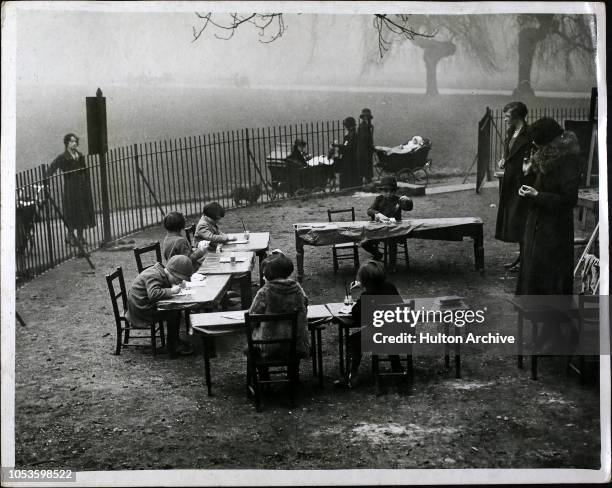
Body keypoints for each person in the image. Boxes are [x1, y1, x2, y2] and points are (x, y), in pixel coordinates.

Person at [516, 117, 581, 352]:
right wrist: (528, 180)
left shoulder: (568, 159)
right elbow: (541, 184)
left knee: (551, 281)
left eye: (538, 144)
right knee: (537, 278)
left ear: (549, 142)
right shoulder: (545, 155)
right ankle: (547, 330)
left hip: (554, 231)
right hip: (538, 227)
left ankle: (555, 333)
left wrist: (537, 196)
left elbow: (568, 199)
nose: (535, 148)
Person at [335, 260, 404, 389]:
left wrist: (359, 295)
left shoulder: (367, 295)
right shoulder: (391, 287)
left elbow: (356, 316)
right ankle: (397, 366)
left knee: (353, 340)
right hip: (396, 334)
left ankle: (352, 374)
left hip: (377, 336)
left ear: (364, 281)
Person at [126, 255, 195, 358]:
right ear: (172, 273)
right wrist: (171, 290)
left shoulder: (161, 273)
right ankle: (172, 346)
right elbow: (153, 294)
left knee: (175, 311)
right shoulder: (154, 275)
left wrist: (175, 286)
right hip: (141, 311)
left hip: (145, 305)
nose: (179, 282)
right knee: (173, 311)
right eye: (179, 279)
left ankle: (174, 341)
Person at [248, 254, 310, 361]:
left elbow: (252, 317)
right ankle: (293, 371)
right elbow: (304, 308)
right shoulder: (298, 289)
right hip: (294, 344)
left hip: (268, 345)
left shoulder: (265, 291)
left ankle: (264, 374)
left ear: (269, 273)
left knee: (252, 344)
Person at [495, 102, 533, 272]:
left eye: (507, 117)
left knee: (521, 219)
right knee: (514, 220)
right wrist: (504, 159)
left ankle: (527, 259)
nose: (504, 119)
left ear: (517, 116)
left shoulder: (529, 134)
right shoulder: (512, 132)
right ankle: (522, 257)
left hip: (522, 182)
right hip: (509, 181)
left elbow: (532, 157)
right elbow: (509, 151)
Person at [46, 133, 96, 249]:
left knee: (82, 211)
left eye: (75, 141)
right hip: (70, 189)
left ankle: (80, 237)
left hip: (82, 188)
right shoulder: (63, 157)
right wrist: (46, 181)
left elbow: (85, 171)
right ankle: (70, 236)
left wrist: (87, 184)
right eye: (72, 141)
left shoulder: (80, 155)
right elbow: (51, 169)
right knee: (72, 212)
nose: (75, 143)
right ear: (67, 143)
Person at [361, 176, 414, 272]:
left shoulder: (399, 200)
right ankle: (378, 254)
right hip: (379, 230)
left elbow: (409, 207)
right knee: (364, 243)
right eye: (386, 191)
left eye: (391, 191)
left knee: (392, 241)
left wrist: (408, 201)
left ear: (395, 191)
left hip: (394, 230)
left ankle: (392, 265)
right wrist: (377, 214)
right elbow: (369, 210)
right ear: (381, 191)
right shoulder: (379, 199)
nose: (389, 193)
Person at [336, 117, 360, 189]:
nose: (345, 127)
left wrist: (339, 147)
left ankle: (347, 187)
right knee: (352, 173)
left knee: (346, 173)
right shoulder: (353, 134)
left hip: (348, 157)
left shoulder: (350, 135)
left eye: (346, 125)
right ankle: (352, 186)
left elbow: (348, 146)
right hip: (352, 157)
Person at [356, 108, 375, 184]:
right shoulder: (363, 126)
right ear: (363, 118)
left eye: (368, 117)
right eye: (365, 117)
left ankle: (368, 181)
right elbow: (364, 138)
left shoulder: (366, 126)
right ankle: (364, 182)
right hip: (363, 150)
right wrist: (370, 145)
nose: (367, 118)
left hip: (366, 150)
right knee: (364, 166)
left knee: (366, 166)